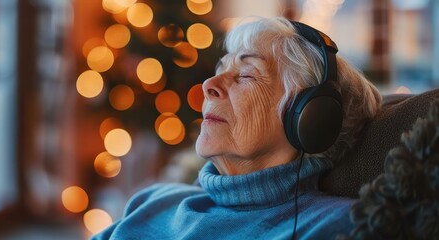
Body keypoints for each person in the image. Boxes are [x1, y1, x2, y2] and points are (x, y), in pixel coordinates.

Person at [92, 17, 382, 239]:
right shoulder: (153, 200)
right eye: (221, 69)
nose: (208, 86)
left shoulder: (339, 225)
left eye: (246, 74)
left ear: (308, 118)